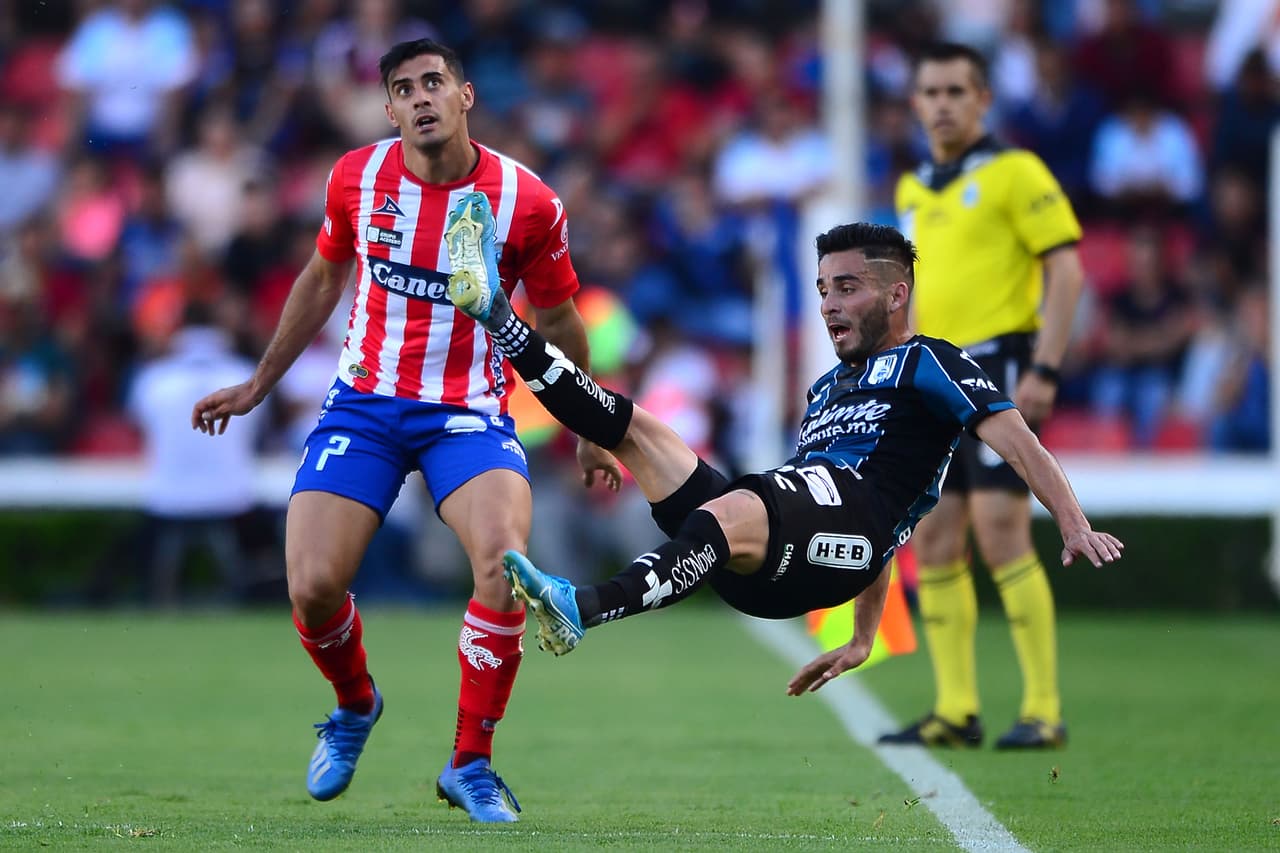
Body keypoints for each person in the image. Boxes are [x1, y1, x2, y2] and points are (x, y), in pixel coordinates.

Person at [443, 210, 1121, 703]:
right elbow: (841, 509)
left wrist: (1072, 522)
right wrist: (863, 638)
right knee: (639, 431)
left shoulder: (930, 361)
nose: (829, 305)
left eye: (847, 287)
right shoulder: (826, 388)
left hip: (832, 534)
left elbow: (1015, 442)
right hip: (787, 548)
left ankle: (581, 607)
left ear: (897, 294)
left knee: (753, 497)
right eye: (823, 289)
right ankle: (498, 315)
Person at [191, 38, 617, 823]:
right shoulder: (356, 177)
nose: (420, 98)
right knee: (311, 585)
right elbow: (324, 277)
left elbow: (560, 320)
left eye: (433, 82)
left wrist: (588, 425)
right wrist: (258, 384)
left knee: (505, 563)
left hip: (468, 413)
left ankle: (470, 762)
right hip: (365, 404)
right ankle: (356, 702)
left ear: (465, 95)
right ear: (389, 109)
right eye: (403, 89)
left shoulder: (526, 201)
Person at [885, 42, 1087, 749]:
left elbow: (1066, 270)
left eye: (956, 91)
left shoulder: (1015, 171)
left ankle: (1043, 709)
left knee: (1002, 531)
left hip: (1001, 362)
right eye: (930, 92)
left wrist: (1046, 368)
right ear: (915, 103)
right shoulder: (914, 187)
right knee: (935, 535)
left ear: (983, 100)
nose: (942, 104)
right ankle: (956, 708)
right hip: (934, 374)